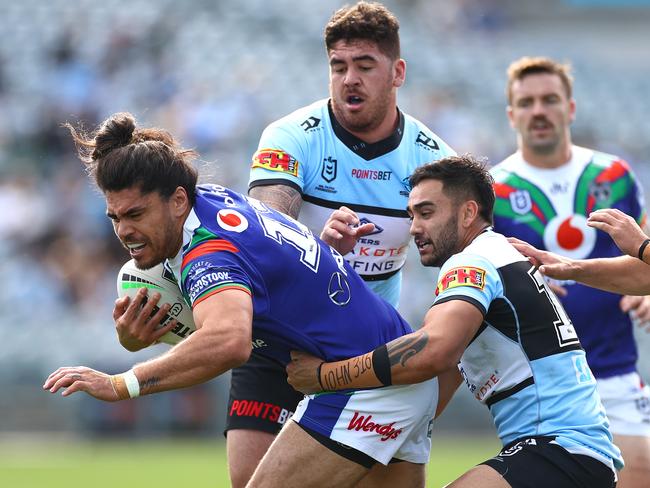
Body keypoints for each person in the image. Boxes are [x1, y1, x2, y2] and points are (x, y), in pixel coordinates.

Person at [43, 111, 448, 487]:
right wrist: (140, 335)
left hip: (366, 383)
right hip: (392, 367)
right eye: (115, 218)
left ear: (177, 200)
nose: (124, 231)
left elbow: (228, 340)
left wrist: (122, 384)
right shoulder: (215, 200)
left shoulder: (208, 252)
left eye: (136, 214)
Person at [286, 155, 622, 488]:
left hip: (559, 451)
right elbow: (433, 387)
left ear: (468, 213)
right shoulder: (497, 256)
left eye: (427, 213)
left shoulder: (472, 261)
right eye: (411, 215)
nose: (414, 227)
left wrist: (324, 377)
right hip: (576, 456)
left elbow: (433, 351)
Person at [235, 2, 455, 484]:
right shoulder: (291, 136)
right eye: (338, 66)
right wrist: (315, 246)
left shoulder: (433, 161)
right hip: (280, 338)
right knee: (248, 479)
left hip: (369, 344)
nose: (349, 78)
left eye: (364, 66)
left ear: (397, 72)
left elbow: (462, 263)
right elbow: (264, 233)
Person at [490, 56, 650, 487]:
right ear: (511, 115)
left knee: (641, 473)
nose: (538, 110)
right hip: (543, 376)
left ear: (571, 108)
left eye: (549, 99)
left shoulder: (613, 174)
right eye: (526, 103)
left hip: (613, 363)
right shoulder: (494, 189)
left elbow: (643, 243)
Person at [508, 208, 650, 296]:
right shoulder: (500, 183)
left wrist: (642, 246)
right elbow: (644, 275)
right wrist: (573, 268)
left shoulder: (616, 172)